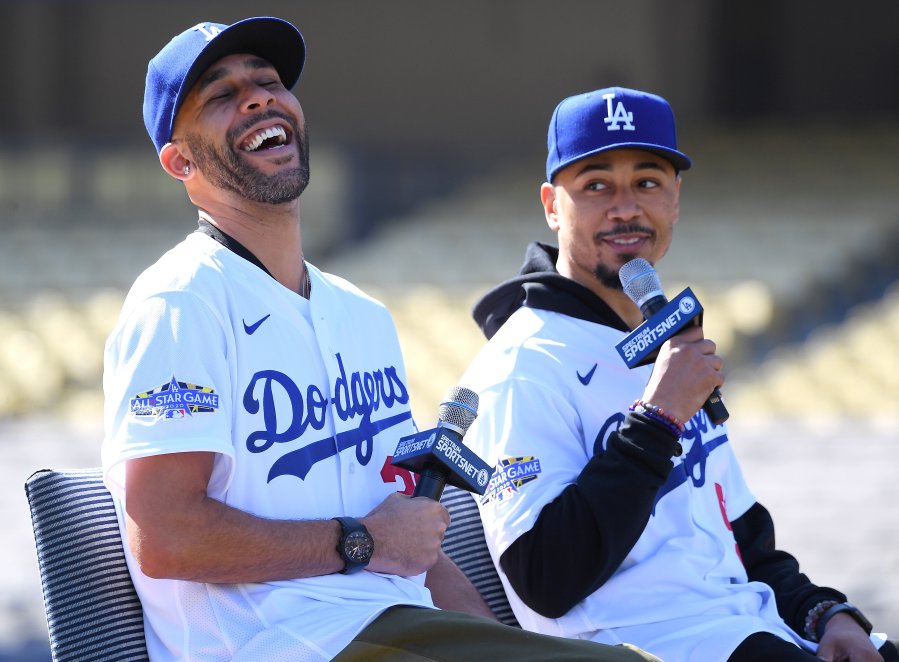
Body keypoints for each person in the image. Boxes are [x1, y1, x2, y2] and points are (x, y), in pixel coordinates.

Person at [100, 18, 660, 662]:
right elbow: (167, 537)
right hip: (278, 645)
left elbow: (409, 538)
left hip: (391, 626)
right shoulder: (179, 302)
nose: (257, 97)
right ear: (180, 161)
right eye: (220, 95)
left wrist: (507, 646)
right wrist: (360, 542)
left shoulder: (361, 314)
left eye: (269, 81)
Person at [459, 86, 898, 662]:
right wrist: (657, 419)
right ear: (550, 203)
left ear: (675, 200)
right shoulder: (521, 364)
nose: (625, 208)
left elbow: (744, 543)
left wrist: (823, 612)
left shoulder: (669, 342)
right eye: (596, 186)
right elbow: (544, 579)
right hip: (639, 645)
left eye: (647, 182)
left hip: (745, 625)